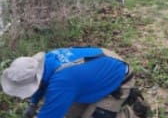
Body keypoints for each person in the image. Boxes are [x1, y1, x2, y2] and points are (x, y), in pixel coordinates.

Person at [1, 47, 136, 118]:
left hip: (119, 77)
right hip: (100, 63)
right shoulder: (48, 60)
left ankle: (135, 112)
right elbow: (42, 82)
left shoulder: (61, 83)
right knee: (71, 112)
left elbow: (49, 116)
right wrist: (33, 103)